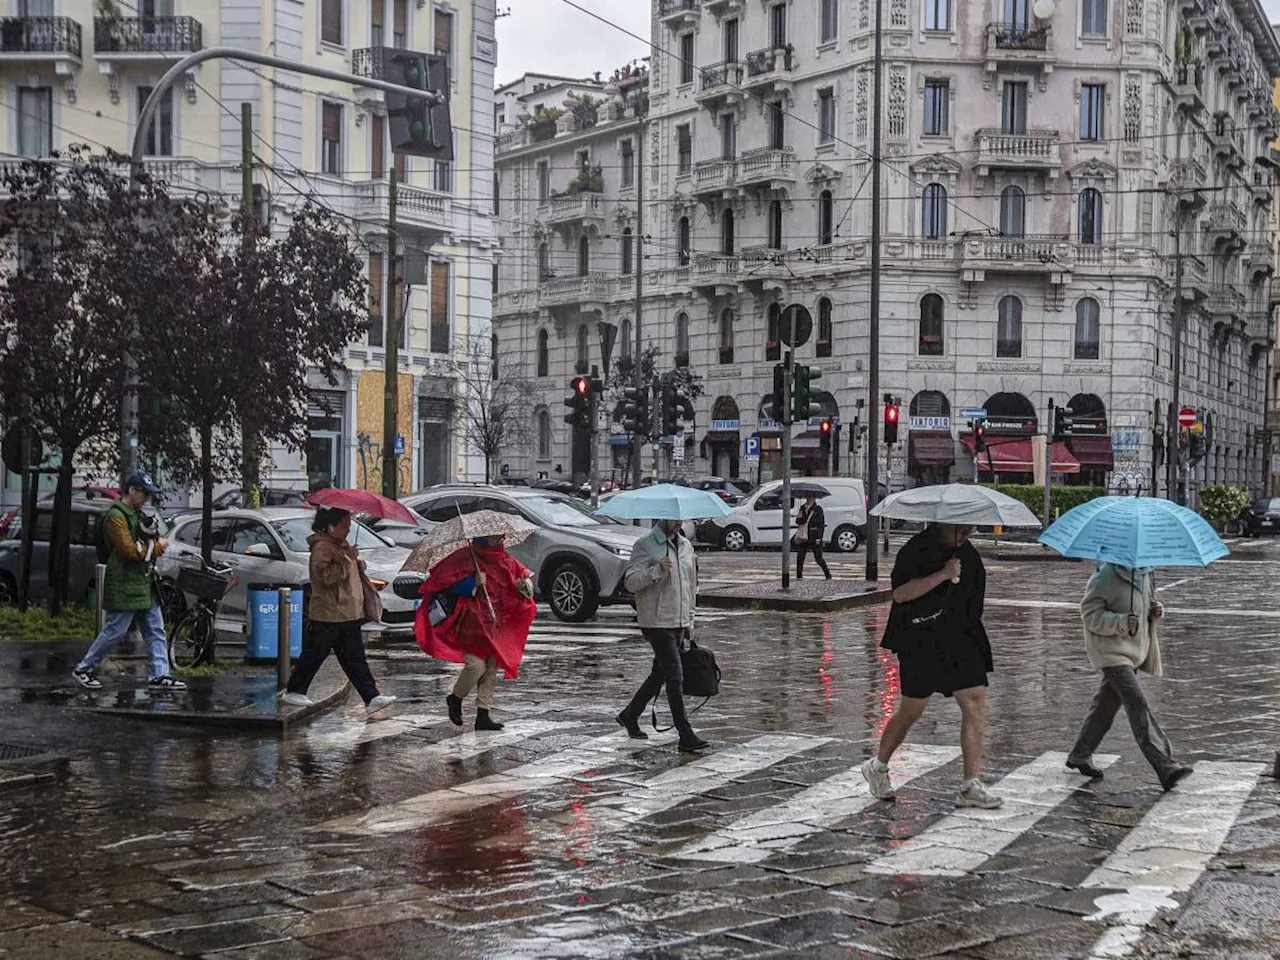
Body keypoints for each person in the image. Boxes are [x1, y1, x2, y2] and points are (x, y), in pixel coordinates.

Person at [861, 522, 1001, 809]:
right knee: (912, 710)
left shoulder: (967, 553)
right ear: (942, 523)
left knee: (975, 702)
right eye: (961, 531)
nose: (965, 536)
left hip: (961, 638)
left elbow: (975, 596)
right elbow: (900, 594)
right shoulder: (914, 551)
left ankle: (970, 784)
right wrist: (943, 575)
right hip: (920, 640)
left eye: (969, 532)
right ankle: (878, 765)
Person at [1065, 563, 1192, 792]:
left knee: (1105, 706)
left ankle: (1080, 755)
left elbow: (1146, 605)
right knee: (1137, 703)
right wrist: (1121, 622)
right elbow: (1089, 613)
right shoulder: (1106, 576)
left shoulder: (1146, 573)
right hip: (1111, 652)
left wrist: (1155, 610)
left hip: (1133, 651)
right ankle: (1165, 766)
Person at [72, 472, 187, 691]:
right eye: (144, 493)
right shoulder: (116, 516)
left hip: (143, 581)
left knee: (155, 629)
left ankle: (159, 674)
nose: (146, 499)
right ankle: (84, 668)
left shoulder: (135, 513)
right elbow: (128, 550)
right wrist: (156, 548)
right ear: (132, 490)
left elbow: (143, 541)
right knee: (116, 629)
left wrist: (152, 539)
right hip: (126, 582)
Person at [279, 507, 397, 718]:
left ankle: (371, 697)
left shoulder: (340, 545)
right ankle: (295, 690)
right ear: (331, 526)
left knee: (353, 658)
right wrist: (347, 560)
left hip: (346, 613)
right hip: (330, 613)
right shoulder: (322, 547)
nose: (347, 532)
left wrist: (356, 563)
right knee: (316, 654)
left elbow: (345, 570)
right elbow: (325, 578)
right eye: (345, 527)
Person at [416, 535, 536, 731]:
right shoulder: (466, 557)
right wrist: (471, 583)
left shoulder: (503, 558)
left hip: (494, 622)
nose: (499, 539)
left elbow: (517, 577)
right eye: (495, 536)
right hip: (470, 624)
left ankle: (483, 714)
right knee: (476, 666)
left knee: (490, 667)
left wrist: (522, 586)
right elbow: (443, 581)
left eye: (500, 536)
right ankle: (455, 699)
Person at [616, 519, 709, 753]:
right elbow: (630, 582)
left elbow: (690, 585)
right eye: (673, 520)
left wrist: (690, 619)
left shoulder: (686, 545)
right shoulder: (645, 545)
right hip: (656, 621)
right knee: (675, 677)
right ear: (662, 518)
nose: (678, 524)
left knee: (660, 674)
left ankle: (630, 714)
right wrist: (656, 571)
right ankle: (685, 733)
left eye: (680, 520)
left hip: (678, 620)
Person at [794, 492, 831, 580]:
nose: (808, 499)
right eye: (807, 497)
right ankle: (799, 575)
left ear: (814, 498)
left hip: (814, 536)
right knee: (800, 556)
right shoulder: (803, 508)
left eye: (811, 497)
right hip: (804, 536)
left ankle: (827, 574)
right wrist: (801, 516)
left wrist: (819, 537)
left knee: (818, 558)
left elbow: (821, 524)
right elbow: (798, 521)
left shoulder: (818, 509)